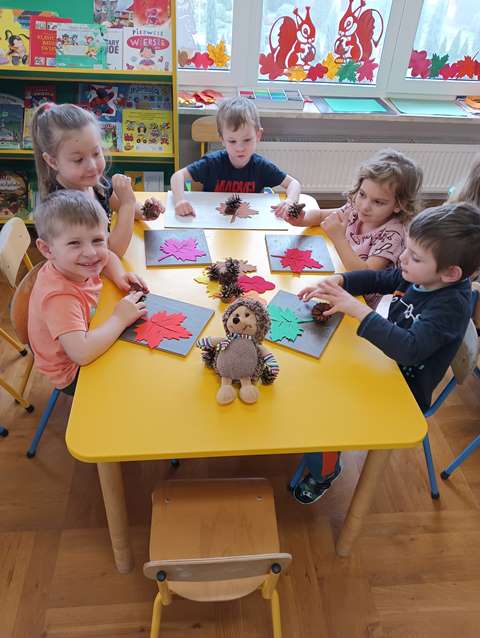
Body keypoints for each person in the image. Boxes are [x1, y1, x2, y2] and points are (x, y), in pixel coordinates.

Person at [293, 202, 480, 504]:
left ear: (450, 273)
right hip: (384, 363)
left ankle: (324, 472)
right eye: (406, 248)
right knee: (313, 375)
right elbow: (379, 279)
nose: (402, 258)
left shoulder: (451, 307)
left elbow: (409, 349)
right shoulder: (420, 275)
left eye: (415, 256)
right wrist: (340, 281)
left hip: (403, 394)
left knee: (326, 410)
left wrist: (357, 310)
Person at [28, 190, 149, 395]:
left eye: (98, 240)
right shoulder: (59, 297)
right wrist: (119, 319)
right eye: (74, 243)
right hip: (73, 371)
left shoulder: (75, 264)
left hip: (88, 332)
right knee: (136, 380)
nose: (91, 253)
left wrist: (120, 275)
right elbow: (82, 353)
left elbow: (107, 256)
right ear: (47, 250)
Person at [278, 149, 423, 308]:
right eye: (362, 194)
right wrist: (302, 219)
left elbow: (365, 275)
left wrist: (338, 238)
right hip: (334, 277)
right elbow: (320, 216)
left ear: (399, 205)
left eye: (378, 202)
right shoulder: (356, 208)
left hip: (356, 302)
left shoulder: (393, 235)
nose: (365, 206)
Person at [31, 102, 164, 257]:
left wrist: (147, 210)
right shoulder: (64, 208)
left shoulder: (94, 183)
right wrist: (128, 202)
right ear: (53, 161)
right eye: (78, 160)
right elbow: (111, 252)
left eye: (96, 153)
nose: (92, 166)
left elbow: (121, 206)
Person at [171, 96, 301, 217]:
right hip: (215, 221)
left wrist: (290, 201)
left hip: (249, 224)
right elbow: (178, 176)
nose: (240, 148)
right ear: (222, 139)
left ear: (258, 135)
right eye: (232, 141)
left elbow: (293, 184)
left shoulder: (262, 167)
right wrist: (179, 200)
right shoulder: (212, 163)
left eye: (247, 140)